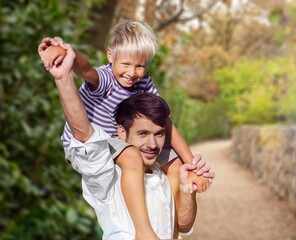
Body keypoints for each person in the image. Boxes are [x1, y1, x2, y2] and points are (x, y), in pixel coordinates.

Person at [38, 19, 214, 238]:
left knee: (176, 163)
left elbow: (164, 122)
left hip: (119, 143)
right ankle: (144, 232)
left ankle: (171, 234)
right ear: (111, 56)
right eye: (126, 64)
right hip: (97, 143)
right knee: (131, 156)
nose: (132, 73)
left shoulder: (144, 84)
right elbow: (86, 70)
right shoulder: (106, 79)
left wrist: (191, 164)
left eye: (140, 66)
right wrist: (69, 56)